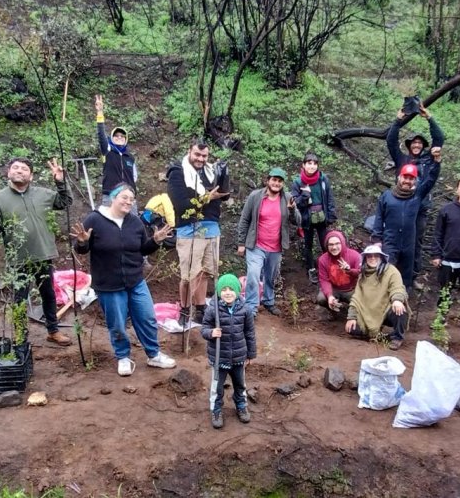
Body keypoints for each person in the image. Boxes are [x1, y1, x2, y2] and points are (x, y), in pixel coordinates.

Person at [70, 183, 177, 376]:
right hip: (109, 285)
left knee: (147, 318)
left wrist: (155, 240)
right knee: (117, 324)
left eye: (131, 199)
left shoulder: (134, 222)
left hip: (135, 280)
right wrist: (82, 241)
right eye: (124, 197)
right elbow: (82, 249)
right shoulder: (95, 219)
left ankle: (154, 355)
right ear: (113, 198)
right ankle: (123, 357)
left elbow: (142, 249)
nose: (128, 202)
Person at [0, 157, 73, 346]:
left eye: (24, 169)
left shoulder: (43, 194)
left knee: (48, 294)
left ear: (31, 176)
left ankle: (53, 331)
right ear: (8, 173)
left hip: (43, 255)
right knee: (20, 299)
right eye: (15, 167)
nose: (19, 171)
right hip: (18, 259)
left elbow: (65, 201)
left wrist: (60, 181)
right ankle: (21, 338)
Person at [166, 139, 231, 324]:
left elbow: (223, 197)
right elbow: (180, 204)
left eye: (204, 156)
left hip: (212, 228)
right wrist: (206, 198)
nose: (201, 159)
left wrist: (224, 182)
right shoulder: (177, 173)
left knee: (204, 272)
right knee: (188, 275)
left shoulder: (210, 171)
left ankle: (201, 308)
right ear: (189, 152)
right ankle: (185, 310)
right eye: (197, 154)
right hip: (189, 229)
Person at [386, 102, 444, 276]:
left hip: (420, 207)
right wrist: (397, 121)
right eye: (414, 143)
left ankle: (413, 274)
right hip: (400, 205)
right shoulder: (402, 159)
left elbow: (439, 139)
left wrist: (429, 118)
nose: (417, 145)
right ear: (410, 145)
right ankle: (391, 272)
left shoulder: (429, 159)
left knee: (416, 240)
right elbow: (391, 141)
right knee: (395, 237)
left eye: (420, 143)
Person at [237, 167, 301, 316]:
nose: (276, 183)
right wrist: (241, 243)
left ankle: (268, 301)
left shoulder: (287, 198)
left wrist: (292, 210)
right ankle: (252, 307)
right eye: (274, 180)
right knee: (253, 274)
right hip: (256, 245)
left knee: (270, 276)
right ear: (267, 180)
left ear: (283, 184)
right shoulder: (255, 196)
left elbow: (297, 221)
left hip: (276, 246)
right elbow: (245, 220)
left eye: (280, 181)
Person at [371, 155, 441, 290]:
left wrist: (437, 163)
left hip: (409, 244)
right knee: (385, 273)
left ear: (415, 181)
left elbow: (431, 179)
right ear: (399, 177)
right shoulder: (387, 196)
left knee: (405, 278)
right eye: (405, 177)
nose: (407, 181)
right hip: (390, 241)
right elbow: (379, 218)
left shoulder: (417, 195)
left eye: (411, 179)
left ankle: (402, 304)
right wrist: (376, 239)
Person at [200, 274, 256, 429]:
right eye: (223, 289)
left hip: (239, 357)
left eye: (231, 289)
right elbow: (203, 329)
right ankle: (216, 410)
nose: (227, 292)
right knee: (217, 387)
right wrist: (211, 333)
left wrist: (251, 354)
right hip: (219, 357)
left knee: (240, 384)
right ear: (219, 292)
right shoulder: (213, 310)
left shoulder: (245, 310)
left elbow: (250, 333)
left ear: (238, 291)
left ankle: (241, 405)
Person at [344, 245, 409, 351]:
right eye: (369, 256)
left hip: (386, 309)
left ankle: (397, 337)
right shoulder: (363, 275)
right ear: (365, 259)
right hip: (368, 311)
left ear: (381, 258)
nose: (373, 258)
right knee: (351, 329)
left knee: (400, 311)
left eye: (376, 256)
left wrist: (397, 300)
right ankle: (377, 334)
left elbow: (397, 287)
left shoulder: (391, 271)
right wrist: (351, 317)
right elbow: (356, 297)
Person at [290, 151, 337, 284]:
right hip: (307, 218)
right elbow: (294, 202)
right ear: (303, 165)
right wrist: (305, 195)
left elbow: (329, 197)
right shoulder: (298, 182)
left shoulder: (322, 179)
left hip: (322, 217)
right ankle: (311, 268)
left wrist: (331, 215)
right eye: (309, 163)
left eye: (315, 164)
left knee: (325, 243)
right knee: (308, 244)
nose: (312, 166)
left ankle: (329, 267)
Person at [94, 94, 137, 207]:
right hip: (110, 196)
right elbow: (101, 134)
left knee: (132, 224)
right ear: (112, 138)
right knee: (109, 224)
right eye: (116, 136)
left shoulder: (130, 158)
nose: (119, 137)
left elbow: (134, 177)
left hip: (128, 198)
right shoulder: (107, 151)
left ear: (126, 139)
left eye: (122, 136)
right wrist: (100, 112)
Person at [315, 230, 361, 315]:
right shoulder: (323, 260)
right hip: (334, 289)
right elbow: (324, 280)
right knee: (321, 298)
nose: (334, 247)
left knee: (361, 303)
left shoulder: (354, 255)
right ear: (326, 246)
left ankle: (354, 315)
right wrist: (329, 296)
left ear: (342, 243)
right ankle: (332, 310)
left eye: (337, 243)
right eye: (331, 245)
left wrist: (349, 270)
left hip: (351, 290)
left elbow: (362, 273)